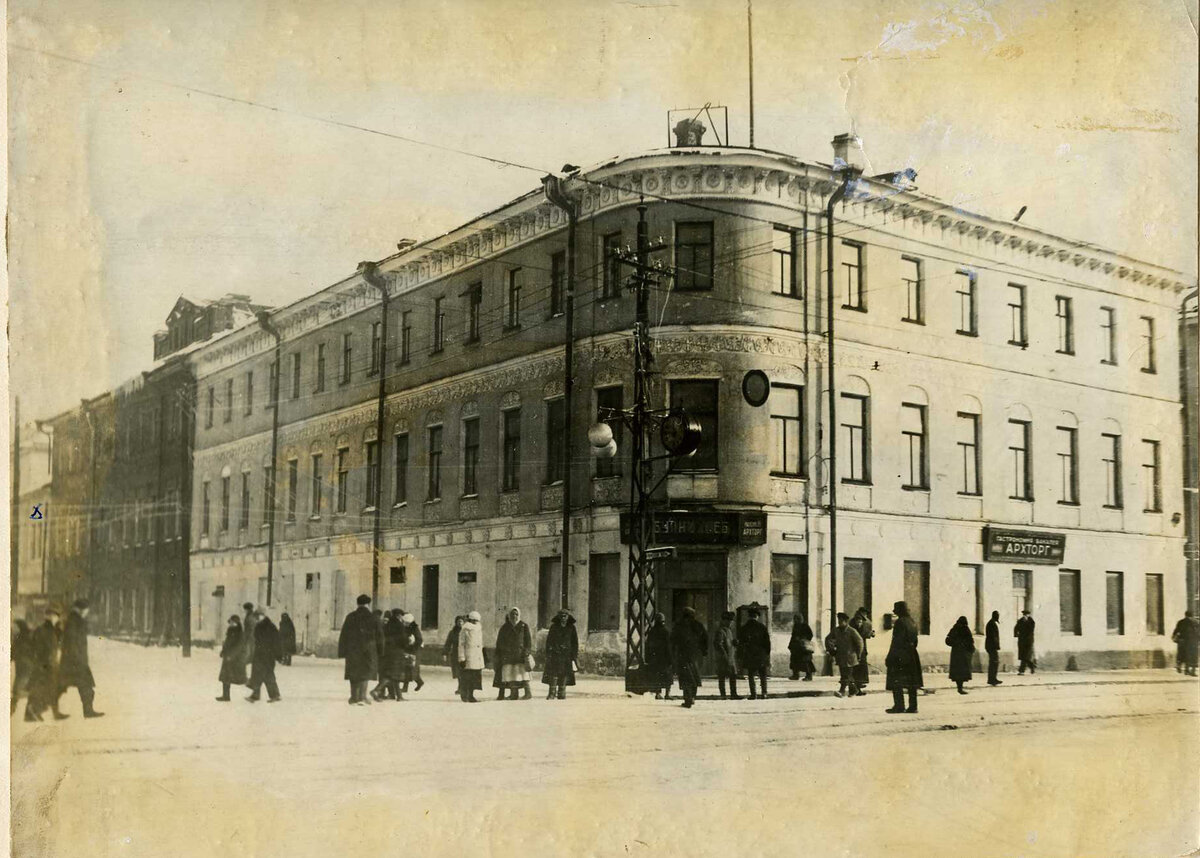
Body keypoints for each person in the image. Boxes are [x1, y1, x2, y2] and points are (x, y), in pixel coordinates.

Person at [58, 599, 103, 718]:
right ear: (81, 609)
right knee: (83, 685)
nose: (87, 612)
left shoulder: (76, 620)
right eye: (86, 609)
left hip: (74, 660)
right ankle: (37, 706)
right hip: (75, 661)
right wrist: (78, 659)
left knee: (65, 686)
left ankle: (88, 710)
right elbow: (72, 642)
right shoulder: (74, 621)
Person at [338, 594, 384, 705]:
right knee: (365, 672)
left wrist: (342, 651)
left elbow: (344, 634)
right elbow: (380, 636)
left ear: (357, 604)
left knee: (354, 672)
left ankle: (354, 697)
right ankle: (362, 697)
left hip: (352, 649)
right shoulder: (374, 617)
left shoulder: (350, 616)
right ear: (368, 604)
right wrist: (381, 651)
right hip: (369, 649)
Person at [25, 608, 69, 722]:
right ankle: (33, 712)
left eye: (57, 616)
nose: (57, 618)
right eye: (55, 616)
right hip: (45, 664)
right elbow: (40, 648)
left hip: (50, 663)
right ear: (48, 616)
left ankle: (53, 712)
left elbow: (59, 642)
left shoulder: (53, 629)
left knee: (52, 688)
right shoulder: (43, 630)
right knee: (43, 689)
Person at [885, 601, 923, 714]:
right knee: (912, 682)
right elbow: (916, 641)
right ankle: (913, 706)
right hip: (912, 654)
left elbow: (896, 641)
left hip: (900, 655)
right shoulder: (912, 622)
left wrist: (890, 656)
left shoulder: (900, 622)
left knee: (897, 681)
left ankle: (899, 706)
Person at [670, 606, 708, 709]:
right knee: (695, 676)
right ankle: (693, 697)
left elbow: (672, 640)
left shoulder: (678, 625)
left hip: (683, 654)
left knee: (685, 677)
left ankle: (688, 699)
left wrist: (673, 654)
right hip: (696, 655)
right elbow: (705, 638)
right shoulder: (698, 625)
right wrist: (704, 652)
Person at [493, 607, 534, 700]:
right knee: (510, 674)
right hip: (508, 655)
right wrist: (500, 653)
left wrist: (527, 651)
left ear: (519, 615)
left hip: (520, 655)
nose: (514, 616)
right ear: (509, 615)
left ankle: (528, 693)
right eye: (512, 614)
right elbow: (499, 642)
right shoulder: (505, 627)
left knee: (522, 674)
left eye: (516, 614)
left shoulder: (524, 626)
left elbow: (528, 641)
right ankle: (514, 694)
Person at [246, 608, 282, 703]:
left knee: (267, 675)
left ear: (262, 616)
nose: (257, 618)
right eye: (256, 617)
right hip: (260, 655)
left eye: (258, 616)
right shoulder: (259, 626)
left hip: (267, 655)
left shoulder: (270, 627)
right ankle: (258, 695)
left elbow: (277, 641)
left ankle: (272, 695)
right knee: (259, 675)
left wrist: (278, 655)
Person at [542, 609, 578, 700]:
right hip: (555, 654)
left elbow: (574, 642)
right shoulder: (554, 627)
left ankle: (562, 692)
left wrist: (574, 655)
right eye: (561, 615)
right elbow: (549, 641)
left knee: (564, 673)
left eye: (565, 615)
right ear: (558, 617)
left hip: (566, 655)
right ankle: (552, 693)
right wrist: (549, 652)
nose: (563, 617)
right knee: (553, 673)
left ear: (568, 617)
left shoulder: (571, 628)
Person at [738, 607, 771, 700]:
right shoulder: (762, 627)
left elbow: (741, 642)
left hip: (750, 654)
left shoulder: (744, 628)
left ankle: (753, 694)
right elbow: (767, 642)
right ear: (757, 616)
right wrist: (767, 654)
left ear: (749, 616)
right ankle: (764, 693)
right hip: (761, 655)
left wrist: (741, 655)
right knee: (763, 675)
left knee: (751, 675)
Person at [375, 609, 406, 701]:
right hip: (397, 653)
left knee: (393, 674)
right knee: (393, 674)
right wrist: (409, 641)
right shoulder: (400, 625)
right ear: (398, 615)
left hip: (386, 652)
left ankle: (399, 696)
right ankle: (377, 690)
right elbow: (403, 640)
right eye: (401, 615)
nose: (401, 617)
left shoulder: (387, 625)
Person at [216, 615, 247, 702]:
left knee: (239, 678)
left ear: (237, 623)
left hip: (235, 659)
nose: (231, 624)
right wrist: (223, 651)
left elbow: (239, 647)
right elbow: (227, 643)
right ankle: (226, 696)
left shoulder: (240, 633)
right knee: (226, 677)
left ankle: (254, 689)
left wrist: (231, 656)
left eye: (233, 622)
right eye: (231, 622)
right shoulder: (230, 631)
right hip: (228, 657)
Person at [834, 612, 864, 698]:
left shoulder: (852, 631)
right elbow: (828, 639)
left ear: (845, 621)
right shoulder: (836, 630)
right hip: (840, 657)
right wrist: (831, 649)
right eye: (839, 621)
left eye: (841, 621)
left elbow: (860, 643)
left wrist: (859, 654)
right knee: (847, 675)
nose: (839, 623)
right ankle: (854, 690)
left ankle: (842, 691)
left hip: (851, 657)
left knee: (845, 675)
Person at [457, 611, 485, 702]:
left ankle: (471, 695)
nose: (476, 623)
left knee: (474, 677)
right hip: (469, 656)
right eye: (475, 621)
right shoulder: (465, 629)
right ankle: (465, 695)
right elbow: (461, 644)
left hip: (477, 657)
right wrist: (462, 657)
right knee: (467, 677)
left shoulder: (478, 629)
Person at [645, 613, 673, 700]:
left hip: (655, 658)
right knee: (668, 676)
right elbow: (668, 646)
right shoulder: (666, 631)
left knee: (656, 676)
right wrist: (671, 659)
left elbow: (648, 645)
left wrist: (648, 657)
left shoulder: (652, 631)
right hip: (664, 658)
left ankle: (657, 693)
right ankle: (667, 694)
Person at [713, 611, 741, 699]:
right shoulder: (720, 631)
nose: (730, 623)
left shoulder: (729, 631)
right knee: (722, 676)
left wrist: (734, 643)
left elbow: (728, 642)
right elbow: (718, 644)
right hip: (724, 657)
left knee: (733, 675)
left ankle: (733, 694)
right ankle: (723, 694)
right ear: (723, 621)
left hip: (730, 657)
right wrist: (724, 654)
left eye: (731, 621)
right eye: (728, 621)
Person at [946, 615, 975, 695]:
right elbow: (970, 641)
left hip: (956, 654)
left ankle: (959, 687)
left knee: (957, 672)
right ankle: (960, 688)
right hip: (963, 654)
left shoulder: (954, 628)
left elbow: (947, 640)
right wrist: (970, 649)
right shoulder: (965, 629)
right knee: (962, 672)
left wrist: (955, 644)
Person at [11, 619, 35, 715]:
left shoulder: (26, 638)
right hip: (22, 667)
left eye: (15, 627)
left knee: (19, 687)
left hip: (26, 667)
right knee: (20, 687)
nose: (13, 629)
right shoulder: (19, 637)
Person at [850, 607, 874, 691]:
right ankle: (858, 686)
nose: (866, 615)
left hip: (860, 646)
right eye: (865, 613)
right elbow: (860, 632)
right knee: (859, 666)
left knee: (859, 666)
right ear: (862, 612)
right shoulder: (858, 619)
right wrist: (869, 633)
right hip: (858, 647)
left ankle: (858, 687)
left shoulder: (859, 619)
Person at [400, 613, 424, 694]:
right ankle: (406, 687)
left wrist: (413, 647)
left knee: (412, 668)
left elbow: (419, 640)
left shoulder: (414, 629)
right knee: (407, 668)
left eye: (406, 623)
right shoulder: (407, 628)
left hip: (414, 651)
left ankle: (419, 682)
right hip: (408, 650)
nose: (404, 624)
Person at [787, 614, 816, 682]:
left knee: (805, 662)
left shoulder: (805, 626)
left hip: (803, 648)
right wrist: (790, 645)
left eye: (796, 619)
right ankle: (795, 675)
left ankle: (809, 676)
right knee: (794, 661)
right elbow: (793, 636)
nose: (795, 620)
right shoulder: (795, 626)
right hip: (796, 647)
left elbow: (810, 635)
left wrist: (802, 638)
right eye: (795, 619)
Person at [1171, 610, 1200, 676]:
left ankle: (1182, 668)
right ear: (1192, 615)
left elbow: (1176, 630)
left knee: (1183, 654)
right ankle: (1192, 671)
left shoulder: (1181, 622)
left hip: (1183, 640)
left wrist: (1173, 637)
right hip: (1193, 641)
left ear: (1185, 615)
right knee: (1193, 656)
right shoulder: (1196, 622)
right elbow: (1198, 632)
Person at [443, 615, 465, 695]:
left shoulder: (466, 631)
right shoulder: (452, 632)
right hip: (455, 654)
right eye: (458, 621)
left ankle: (462, 687)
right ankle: (460, 687)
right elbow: (448, 643)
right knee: (458, 672)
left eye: (461, 621)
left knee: (463, 671)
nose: (460, 623)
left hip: (464, 654)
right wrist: (445, 653)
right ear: (456, 623)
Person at [1014, 610, 1037, 675]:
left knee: (1025, 656)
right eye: (1024, 615)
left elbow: (1031, 630)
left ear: (1029, 615)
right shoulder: (1020, 621)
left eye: (1027, 615)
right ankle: (1032, 667)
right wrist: (1016, 635)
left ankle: (1022, 670)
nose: (1025, 616)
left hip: (1029, 641)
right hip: (1022, 641)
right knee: (1024, 656)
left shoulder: (1031, 621)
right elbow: (1016, 628)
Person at [984, 611, 1003, 686]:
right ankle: (992, 679)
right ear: (995, 616)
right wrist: (996, 646)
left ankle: (992, 679)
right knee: (994, 662)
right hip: (992, 646)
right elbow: (993, 637)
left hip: (991, 646)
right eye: (997, 615)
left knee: (994, 662)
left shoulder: (991, 623)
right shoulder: (992, 624)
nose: (998, 617)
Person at [241, 602, 257, 668]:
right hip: (249, 634)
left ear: (248, 609)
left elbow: (252, 627)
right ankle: (249, 660)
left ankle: (250, 660)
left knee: (249, 648)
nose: (244, 610)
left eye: (245, 609)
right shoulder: (249, 615)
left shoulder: (250, 616)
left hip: (250, 635)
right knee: (249, 648)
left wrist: (248, 635)